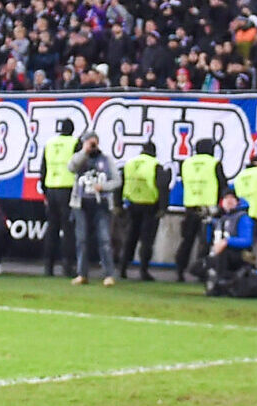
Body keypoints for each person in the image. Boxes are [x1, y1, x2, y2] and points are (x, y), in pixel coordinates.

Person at [69, 134, 118, 285]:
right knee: (81, 240)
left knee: (104, 240)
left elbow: (117, 180)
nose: (92, 146)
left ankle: (109, 274)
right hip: (81, 204)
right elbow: (71, 167)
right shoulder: (80, 158)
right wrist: (84, 151)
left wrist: (103, 187)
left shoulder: (106, 160)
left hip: (101, 204)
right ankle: (82, 274)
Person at [173, 137, 222, 283]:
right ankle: (201, 272)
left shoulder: (186, 163)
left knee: (186, 241)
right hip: (208, 209)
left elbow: (184, 182)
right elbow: (222, 184)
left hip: (190, 206)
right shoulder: (214, 163)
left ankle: (180, 271)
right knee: (205, 242)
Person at [117, 140, 165, 280]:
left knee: (130, 238)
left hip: (132, 205)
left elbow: (120, 184)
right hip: (150, 206)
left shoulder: (129, 164)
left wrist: (117, 204)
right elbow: (162, 187)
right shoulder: (155, 165)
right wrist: (163, 207)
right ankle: (143, 270)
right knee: (147, 240)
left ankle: (123, 268)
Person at [40, 118, 79, 277]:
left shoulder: (49, 143)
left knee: (52, 229)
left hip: (51, 188)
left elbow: (43, 168)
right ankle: (67, 266)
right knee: (68, 229)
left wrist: (44, 190)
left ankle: (48, 266)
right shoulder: (75, 143)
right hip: (67, 188)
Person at [205, 190, 257, 292]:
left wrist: (227, 242)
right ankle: (226, 281)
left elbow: (247, 241)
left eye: (232, 198)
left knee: (222, 255)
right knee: (198, 267)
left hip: (242, 255)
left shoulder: (243, 218)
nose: (229, 201)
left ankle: (222, 283)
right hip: (222, 253)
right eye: (226, 198)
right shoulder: (221, 219)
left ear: (237, 201)